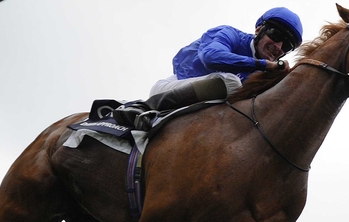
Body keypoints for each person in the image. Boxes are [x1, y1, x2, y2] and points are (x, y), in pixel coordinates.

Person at [113, 7, 304, 130]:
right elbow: (211, 57)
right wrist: (263, 65)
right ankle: (143, 107)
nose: (279, 47)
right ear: (258, 29)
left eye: (287, 46)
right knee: (231, 82)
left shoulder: (268, 73)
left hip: (204, 115)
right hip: (168, 90)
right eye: (276, 35)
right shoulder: (229, 34)